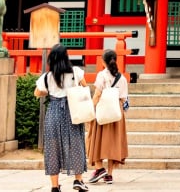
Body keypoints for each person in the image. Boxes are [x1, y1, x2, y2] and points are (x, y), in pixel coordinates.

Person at [34, 43, 90, 192]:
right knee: (76, 144)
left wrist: (52, 92)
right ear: (66, 57)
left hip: (53, 113)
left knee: (53, 147)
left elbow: (37, 93)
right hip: (73, 112)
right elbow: (85, 87)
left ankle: (54, 186)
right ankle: (78, 180)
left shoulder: (47, 77)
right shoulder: (76, 72)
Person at [86, 49, 129, 185]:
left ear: (103, 61)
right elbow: (124, 99)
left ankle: (99, 169)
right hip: (116, 114)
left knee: (94, 140)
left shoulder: (102, 75)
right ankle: (109, 175)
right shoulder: (122, 78)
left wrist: (90, 108)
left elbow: (97, 94)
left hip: (103, 113)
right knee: (113, 144)